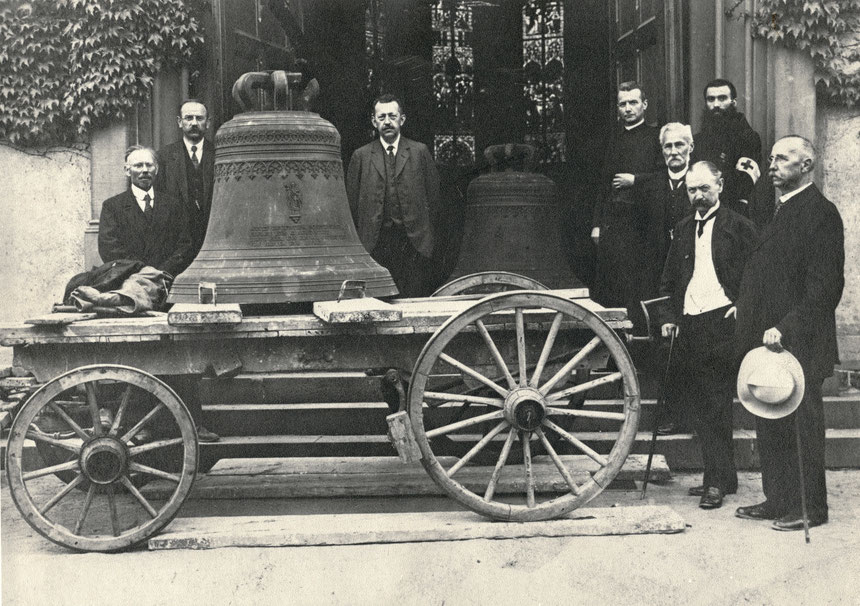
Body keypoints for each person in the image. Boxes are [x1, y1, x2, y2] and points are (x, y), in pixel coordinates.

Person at [734, 135, 844, 530]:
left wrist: (785, 327)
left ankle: (811, 508)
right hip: (767, 341)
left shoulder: (821, 213)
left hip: (800, 339)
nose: (773, 164)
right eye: (772, 157)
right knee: (769, 417)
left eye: (782, 159)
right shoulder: (778, 210)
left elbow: (826, 287)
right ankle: (778, 498)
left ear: (807, 165)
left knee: (803, 425)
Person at [98, 145, 220, 443]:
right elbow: (109, 249)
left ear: (157, 170)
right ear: (127, 171)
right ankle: (138, 427)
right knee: (135, 357)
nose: (144, 171)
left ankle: (192, 422)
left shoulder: (173, 204)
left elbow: (186, 244)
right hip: (132, 294)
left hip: (168, 291)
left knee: (181, 356)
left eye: (149, 166)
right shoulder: (113, 206)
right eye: (137, 166)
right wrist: (142, 273)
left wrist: (164, 273)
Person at [657, 161, 758, 509]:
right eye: (691, 190)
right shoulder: (683, 228)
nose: (698, 196)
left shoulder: (740, 227)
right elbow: (669, 280)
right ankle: (722, 476)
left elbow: (759, 275)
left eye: (704, 188)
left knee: (714, 402)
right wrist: (669, 317)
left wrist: (743, 304)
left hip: (722, 323)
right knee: (701, 404)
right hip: (691, 324)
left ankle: (714, 481)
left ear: (720, 186)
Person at [346, 94, 441, 297]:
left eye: (392, 116)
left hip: (414, 244)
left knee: (414, 297)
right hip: (375, 244)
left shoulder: (419, 152)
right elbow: (352, 205)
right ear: (374, 121)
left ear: (402, 119)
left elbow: (434, 199)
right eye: (381, 117)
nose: (387, 122)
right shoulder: (361, 156)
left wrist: (426, 236)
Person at [591, 81, 664, 333]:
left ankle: (640, 343)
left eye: (633, 102)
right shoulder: (614, 139)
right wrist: (597, 224)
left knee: (639, 288)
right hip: (615, 225)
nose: (628, 108)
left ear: (644, 105)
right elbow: (604, 184)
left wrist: (636, 180)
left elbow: (666, 176)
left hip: (644, 225)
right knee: (613, 287)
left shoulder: (655, 138)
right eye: (623, 104)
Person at [640, 122, 697, 435]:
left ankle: (694, 416)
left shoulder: (700, 182)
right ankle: (669, 414)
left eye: (679, 145)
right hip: (662, 276)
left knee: (694, 346)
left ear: (690, 148)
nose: (674, 152)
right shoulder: (652, 186)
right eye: (668, 147)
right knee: (666, 347)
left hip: (696, 276)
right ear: (661, 152)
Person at [692, 79, 762, 219]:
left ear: (733, 102)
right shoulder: (698, 140)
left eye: (722, 98)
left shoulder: (747, 137)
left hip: (733, 211)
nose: (716, 104)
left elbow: (743, 183)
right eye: (711, 99)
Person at [156, 99, 216, 257]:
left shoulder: (220, 154)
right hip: (177, 241)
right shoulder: (164, 156)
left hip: (212, 237)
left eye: (199, 118)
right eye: (189, 118)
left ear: (208, 123)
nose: (194, 123)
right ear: (179, 122)